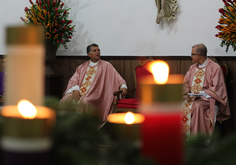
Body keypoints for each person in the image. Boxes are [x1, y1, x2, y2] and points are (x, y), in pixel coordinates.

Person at [60, 43, 128, 126]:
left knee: (84, 102)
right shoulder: (82, 67)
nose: (97, 52)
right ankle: (65, 126)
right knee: (64, 100)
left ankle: (82, 128)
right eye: (94, 50)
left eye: (98, 50)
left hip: (95, 94)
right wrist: (75, 89)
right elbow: (74, 80)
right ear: (88, 54)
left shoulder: (106, 65)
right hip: (79, 91)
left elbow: (118, 78)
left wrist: (123, 86)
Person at [182, 43, 230, 141]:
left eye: (192, 54)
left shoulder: (215, 67)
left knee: (197, 106)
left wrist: (202, 93)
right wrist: (188, 93)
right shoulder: (192, 68)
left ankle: (198, 140)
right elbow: (185, 82)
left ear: (199, 55)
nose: (191, 56)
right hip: (192, 97)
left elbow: (218, 86)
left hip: (208, 99)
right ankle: (184, 140)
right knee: (180, 106)